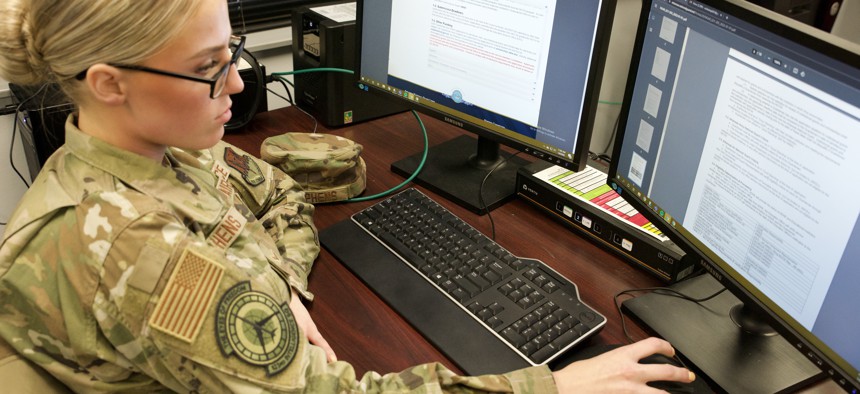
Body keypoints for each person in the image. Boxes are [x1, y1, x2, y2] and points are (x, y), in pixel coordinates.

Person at [0, 0, 696, 392]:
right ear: (108, 83)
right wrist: (552, 389)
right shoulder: (138, 252)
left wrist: (281, 287)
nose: (239, 86)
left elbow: (280, 198)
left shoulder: (161, 144)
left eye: (231, 52)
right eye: (208, 68)